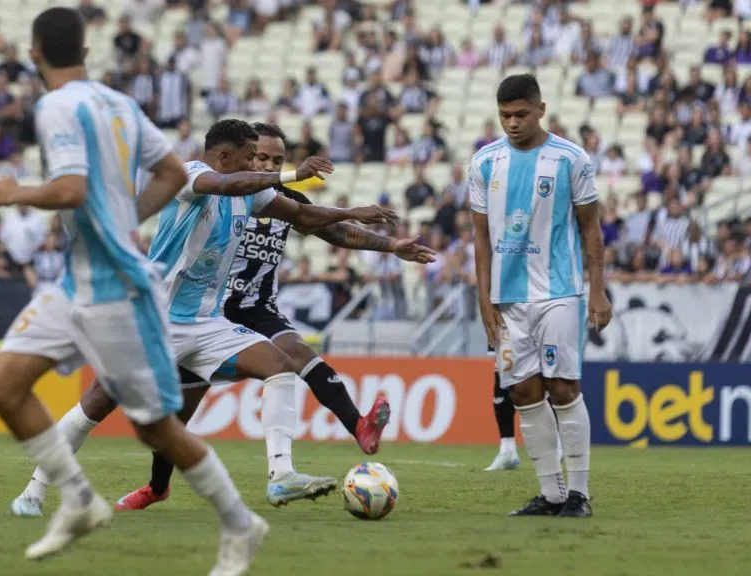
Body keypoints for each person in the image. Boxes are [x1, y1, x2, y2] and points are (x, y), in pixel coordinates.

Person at [0, 9, 267, 572]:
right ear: (84, 51)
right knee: (2, 388)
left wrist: (17, 192)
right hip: (79, 279)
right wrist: (125, 217)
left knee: (153, 426)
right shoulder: (118, 103)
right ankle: (80, 500)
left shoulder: (56, 106)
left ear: (35, 52)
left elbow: (69, 188)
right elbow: (167, 172)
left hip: (115, 288)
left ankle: (241, 523)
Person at [8, 119, 400, 516]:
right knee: (95, 405)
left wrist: (351, 212)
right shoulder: (190, 175)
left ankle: (281, 476)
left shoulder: (252, 194)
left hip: (206, 322)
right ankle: (33, 490)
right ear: (225, 156)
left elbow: (302, 215)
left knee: (280, 368)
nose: (257, 166)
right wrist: (294, 173)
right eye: (250, 157)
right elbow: (228, 185)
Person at [110, 122, 436, 510]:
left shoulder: (278, 200)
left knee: (296, 356)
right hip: (207, 309)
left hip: (256, 307)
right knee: (180, 414)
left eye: (277, 160)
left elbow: (332, 231)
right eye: (261, 157)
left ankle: (353, 430)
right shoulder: (223, 189)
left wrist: (392, 245)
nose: (267, 164)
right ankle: (157, 487)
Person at [470, 74, 610, 518]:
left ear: (541, 109)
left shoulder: (571, 159)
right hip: (508, 299)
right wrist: (484, 297)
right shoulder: (484, 162)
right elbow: (479, 238)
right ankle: (550, 494)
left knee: (563, 387)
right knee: (524, 393)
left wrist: (599, 290)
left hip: (559, 291)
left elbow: (591, 227)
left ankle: (579, 494)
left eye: (521, 114)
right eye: (505, 115)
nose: (512, 123)